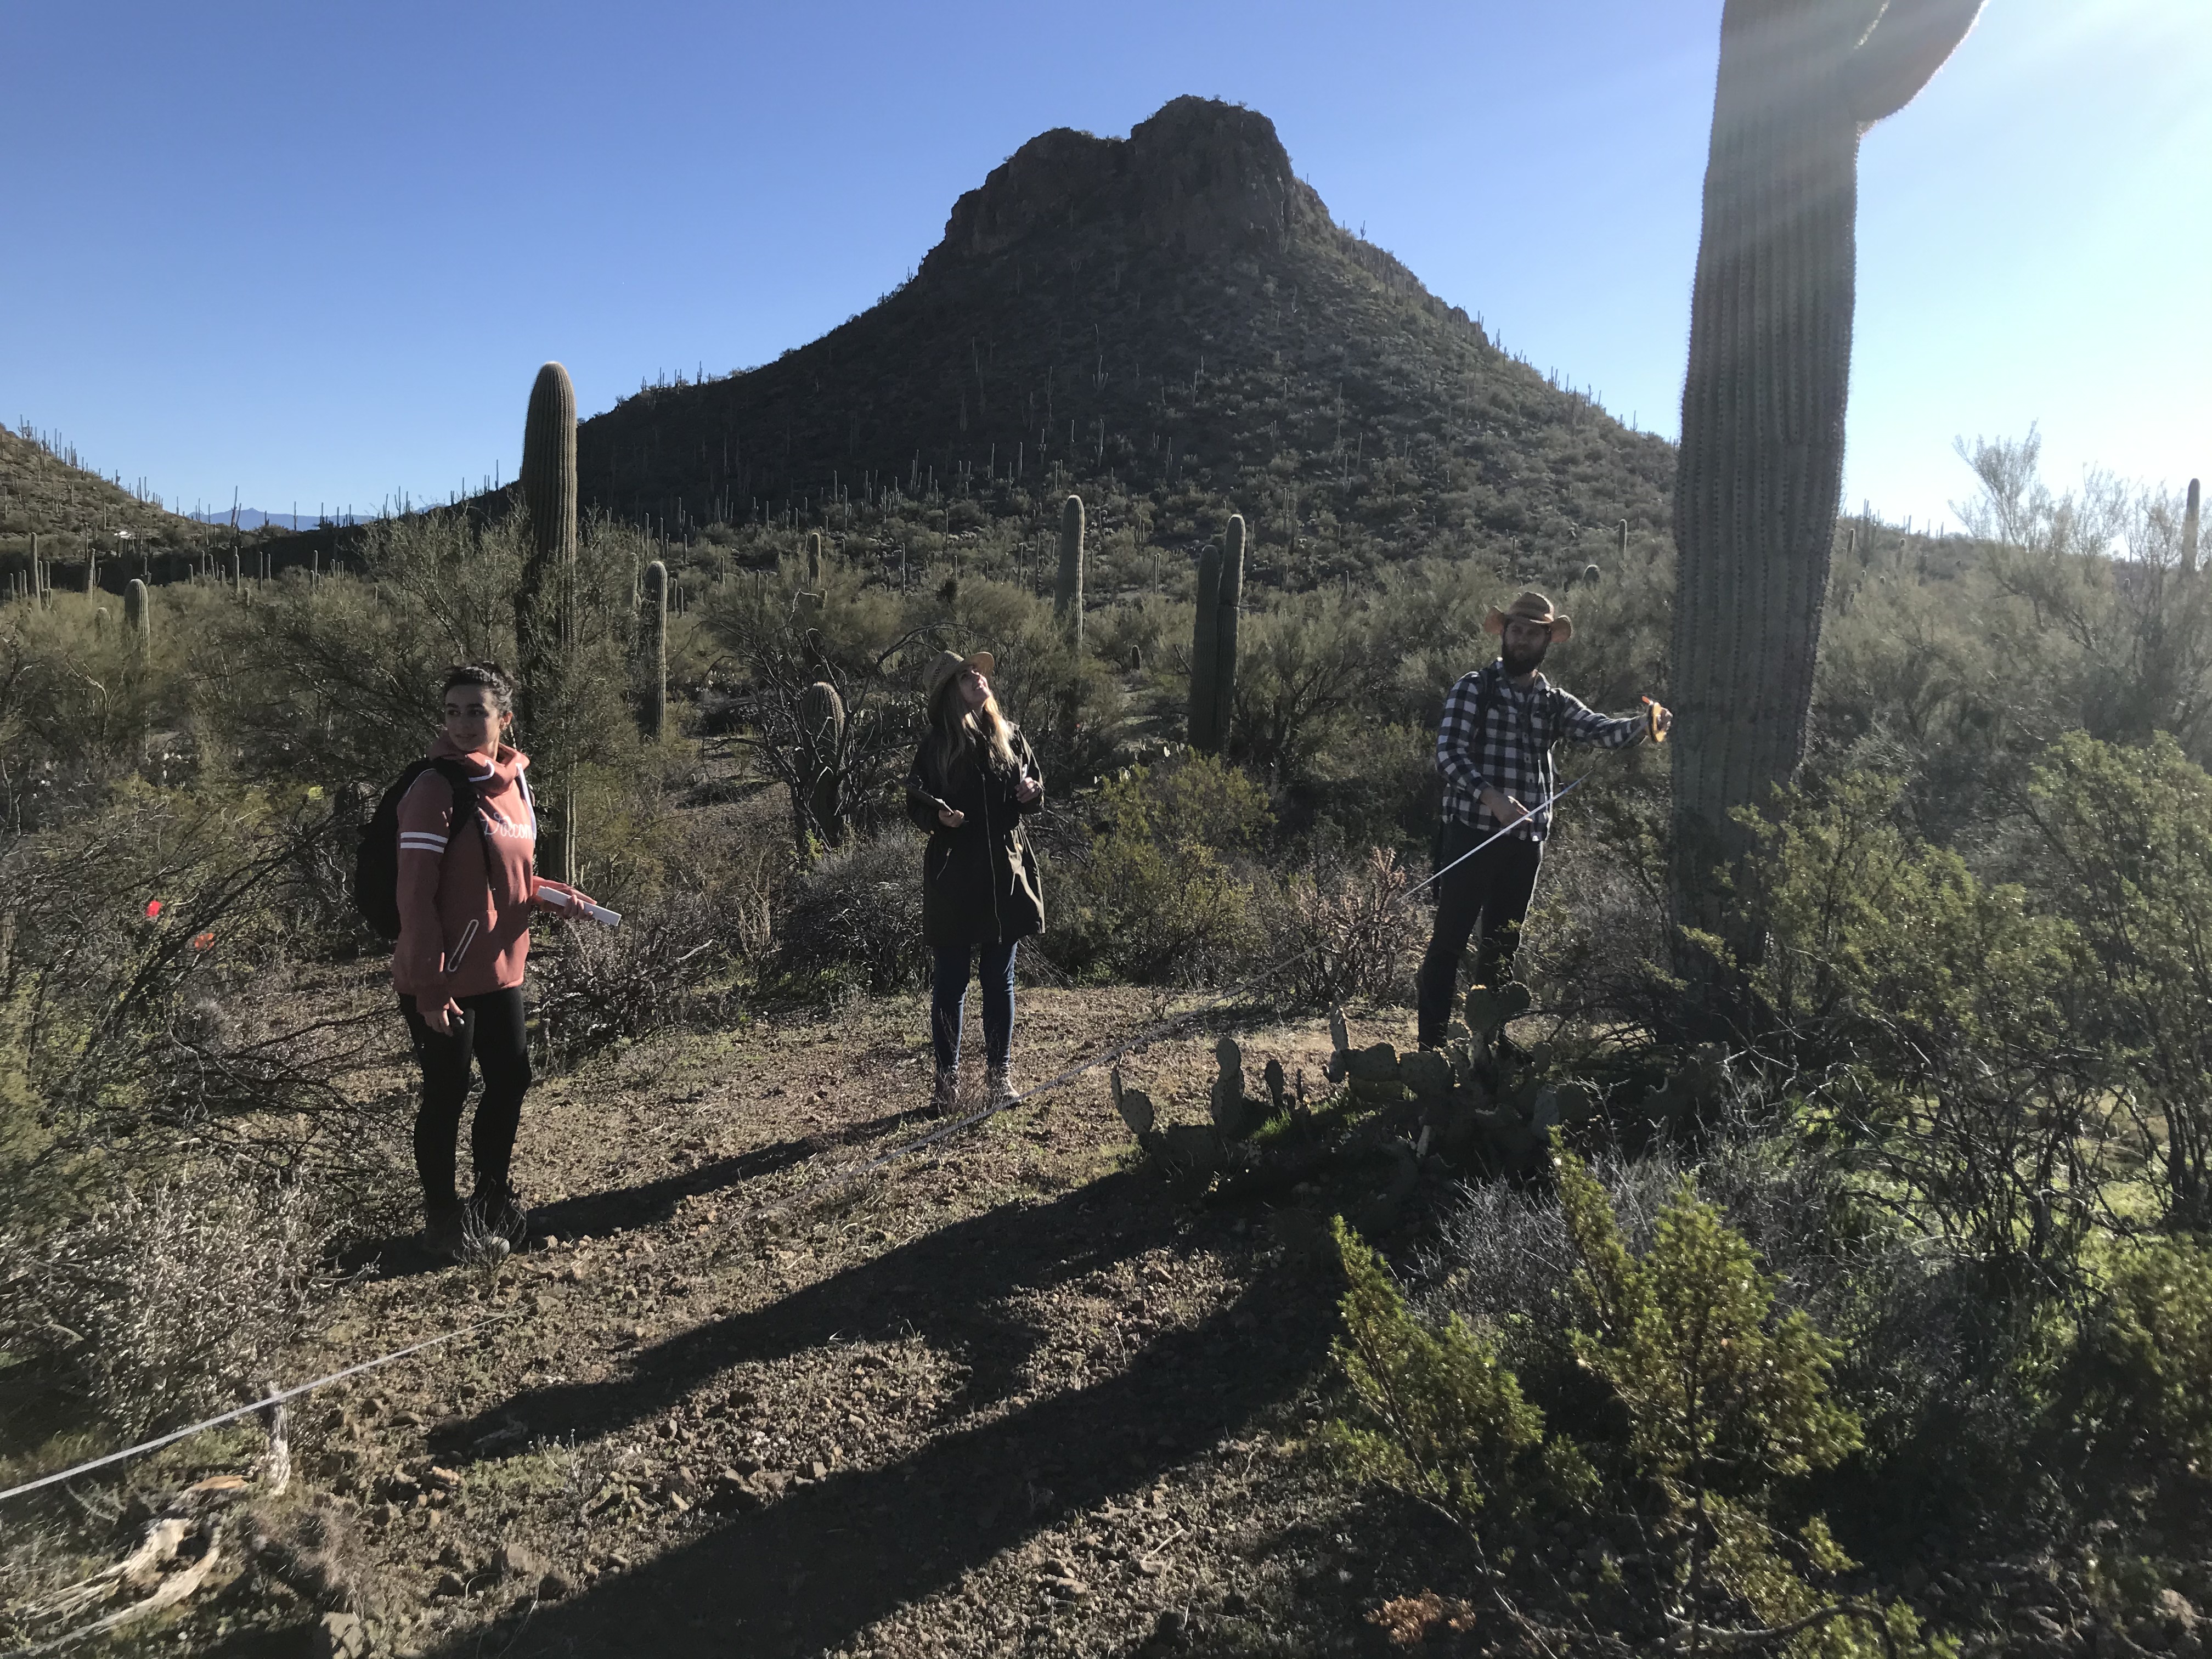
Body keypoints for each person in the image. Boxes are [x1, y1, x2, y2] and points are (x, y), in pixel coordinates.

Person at [394, 663, 595, 1255]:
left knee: (511, 1078)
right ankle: (443, 1222)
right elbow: (415, 895)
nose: (461, 723)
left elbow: (513, 877)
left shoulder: (514, 784)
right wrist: (430, 986)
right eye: (452, 712)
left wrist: (552, 895)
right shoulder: (434, 789)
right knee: (447, 1093)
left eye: (475, 711)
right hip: (442, 975)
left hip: (501, 967)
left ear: (503, 719)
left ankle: (492, 1200)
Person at [1417, 591, 1670, 1050]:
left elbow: (1599, 730)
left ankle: (1488, 1048)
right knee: (1448, 944)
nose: (1521, 639)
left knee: (1501, 948)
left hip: (1526, 842)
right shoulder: (1474, 688)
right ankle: (1430, 1050)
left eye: (1532, 633)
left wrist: (1644, 723)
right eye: (1515, 630)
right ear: (1505, 633)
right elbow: (1448, 756)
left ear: (1548, 640)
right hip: (1471, 834)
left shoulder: (1554, 702)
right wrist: (1493, 799)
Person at [905, 650, 1046, 1113]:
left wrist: (1031, 793)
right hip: (954, 876)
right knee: (951, 983)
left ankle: (998, 1079)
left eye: (977, 672)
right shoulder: (936, 747)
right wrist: (938, 819)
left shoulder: (1010, 735)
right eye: (965, 676)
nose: (977, 678)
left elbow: (1033, 789)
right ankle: (946, 1086)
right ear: (951, 693)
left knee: (999, 981)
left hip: (1006, 872)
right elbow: (915, 803)